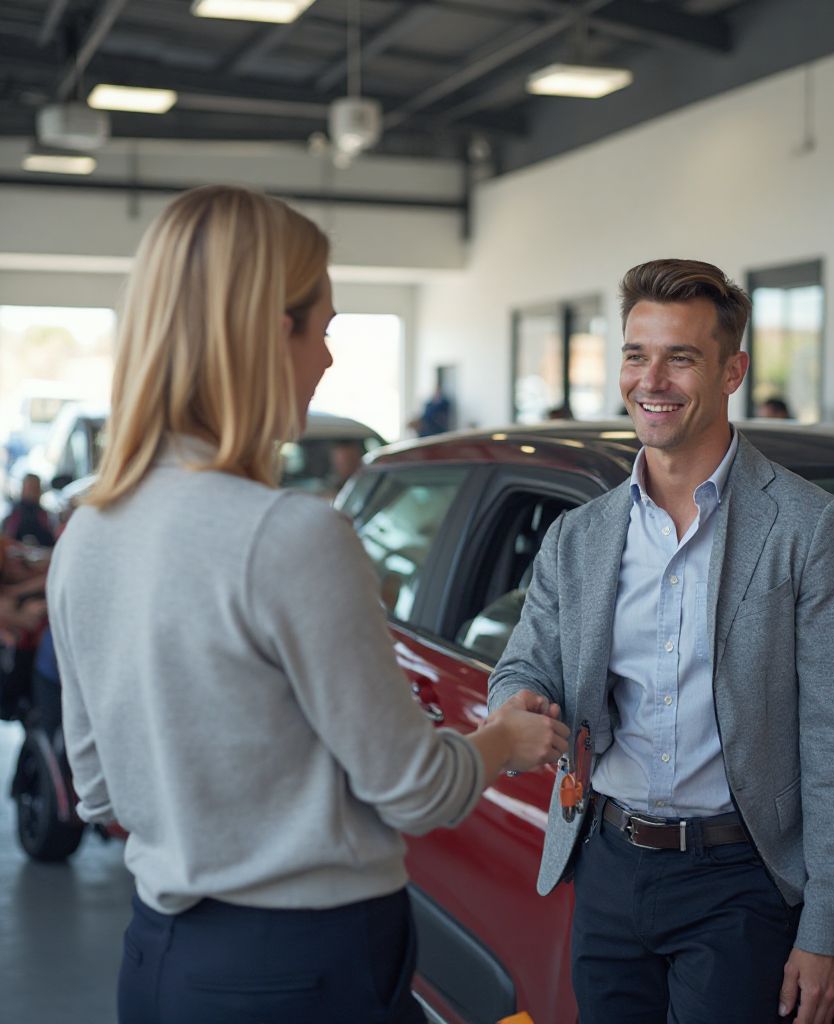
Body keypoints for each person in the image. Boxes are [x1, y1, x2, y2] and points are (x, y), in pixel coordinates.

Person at [46, 185, 568, 1024]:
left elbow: (100, 792)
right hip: (300, 971)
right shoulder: (290, 535)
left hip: (160, 962)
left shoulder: (88, 534)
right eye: (321, 330)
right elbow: (416, 791)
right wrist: (504, 739)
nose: (326, 361)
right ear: (263, 333)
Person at [489, 259, 834, 1024]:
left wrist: (829, 929)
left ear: (732, 372)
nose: (651, 380)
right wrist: (516, 703)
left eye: (681, 358)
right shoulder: (580, 535)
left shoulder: (808, 528)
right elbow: (527, 660)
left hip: (737, 881)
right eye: (636, 354)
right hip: (607, 861)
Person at [3, 473, 56, 547]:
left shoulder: (43, 514)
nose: (33, 492)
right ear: (23, 489)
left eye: (36, 488)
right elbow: (7, 539)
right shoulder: (15, 513)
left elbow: (51, 541)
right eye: (30, 487)